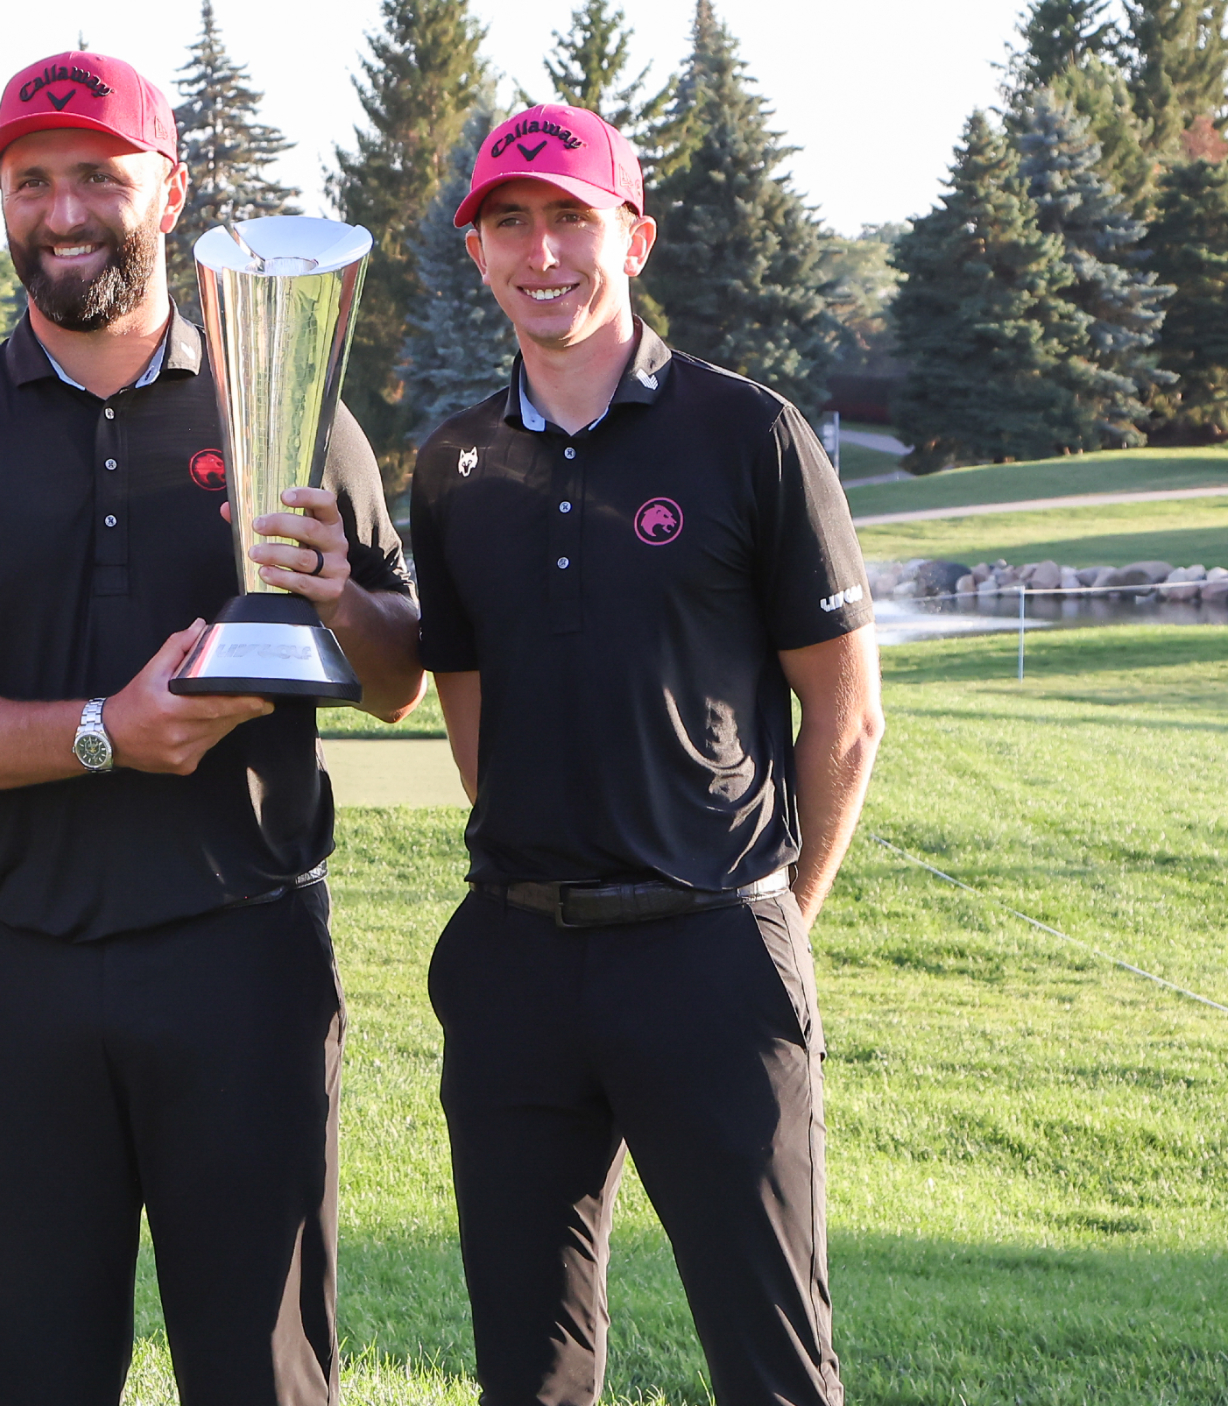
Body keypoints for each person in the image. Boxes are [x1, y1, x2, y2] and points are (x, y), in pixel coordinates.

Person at [0, 51, 424, 1405]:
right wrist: (103, 730)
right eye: (30, 180)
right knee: (38, 1376)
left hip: (244, 963)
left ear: (171, 192)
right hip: (18, 971)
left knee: (264, 1374)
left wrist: (341, 596)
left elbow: (395, 678)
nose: (63, 208)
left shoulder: (288, 399)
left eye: (99, 172)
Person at [409, 104, 885, 1406]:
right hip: (514, 960)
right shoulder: (454, 461)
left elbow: (842, 717)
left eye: (571, 215)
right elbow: (469, 712)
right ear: (479, 248)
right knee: (529, 1364)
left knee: (773, 1356)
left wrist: (775, 922)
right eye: (509, 221)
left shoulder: (747, 435)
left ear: (634, 233)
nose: (541, 249)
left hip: (710, 950)